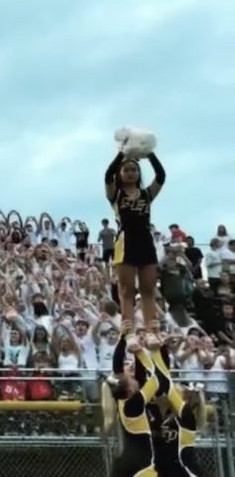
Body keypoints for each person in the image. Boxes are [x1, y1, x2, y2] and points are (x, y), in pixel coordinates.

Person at [104, 146, 166, 331]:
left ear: (139, 173)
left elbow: (161, 176)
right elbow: (108, 175)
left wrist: (150, 154)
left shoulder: (147, 194)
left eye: (134, 170)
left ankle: (152, 330)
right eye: (126, 170)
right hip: (125, 242)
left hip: (145, 241)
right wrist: (123, 152)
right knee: (126, 290)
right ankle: (128, 330)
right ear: (120, 173)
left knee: (148, 289)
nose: (130, 173)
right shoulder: (115, 194)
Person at [102, 333, 161, 477]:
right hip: (141, 461)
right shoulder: (135, 402)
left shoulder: (122, 400)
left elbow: (137, 374)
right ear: (130, 390)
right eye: (131, 380)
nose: (134, 378)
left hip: (130, 457)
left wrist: (123, 338)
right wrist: (141, 352)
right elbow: (155, 378)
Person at [151, 345, 205, 477]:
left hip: (183, 471)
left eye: (178, 389)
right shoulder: (158, 415)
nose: (171, 392)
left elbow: (167, 385)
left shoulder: (185, 417)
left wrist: (156, 352)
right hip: (162, 471)